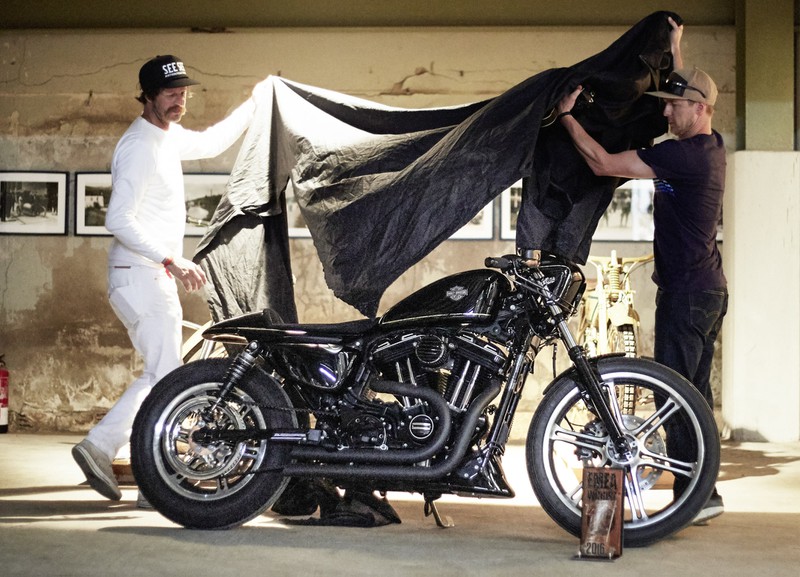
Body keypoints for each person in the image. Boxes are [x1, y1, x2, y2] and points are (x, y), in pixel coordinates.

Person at [553, 17, 727, 525]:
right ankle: (705, 493)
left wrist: (567, 117)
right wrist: (675, 48)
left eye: (674, 105)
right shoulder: (709, 146)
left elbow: (603, 163)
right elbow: (688, 87)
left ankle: (695, 496)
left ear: (700, 109)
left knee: (674, 397)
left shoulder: (684, 157)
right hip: (705, 290)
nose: (666, 111)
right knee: (695, 395)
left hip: (688, 294)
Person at [72, 55, 261, 501]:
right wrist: (171, 259)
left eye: (184, 93)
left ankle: (141, 465)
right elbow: (118, 219)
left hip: (145, 275)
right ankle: (109, 451)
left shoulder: (166, 136)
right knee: (165, 376)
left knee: (162, 375)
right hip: (140, 275)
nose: (180, 101)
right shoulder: (139, 146)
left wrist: (256, 102)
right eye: (171, 94)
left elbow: (212, 143)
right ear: (148, 96)